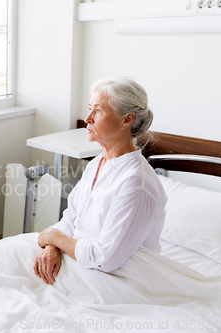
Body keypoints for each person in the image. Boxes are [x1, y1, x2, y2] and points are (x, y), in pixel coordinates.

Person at [34, 77, 167, 285]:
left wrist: (54, 238)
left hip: (117, 278)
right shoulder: (97, 163)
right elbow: (71, 219)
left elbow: (105, 259)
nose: (87, 118)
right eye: (89, 109)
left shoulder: (136, 183)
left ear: (126, 119)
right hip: (77, 256)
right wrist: (52, 248)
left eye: (98, 111)